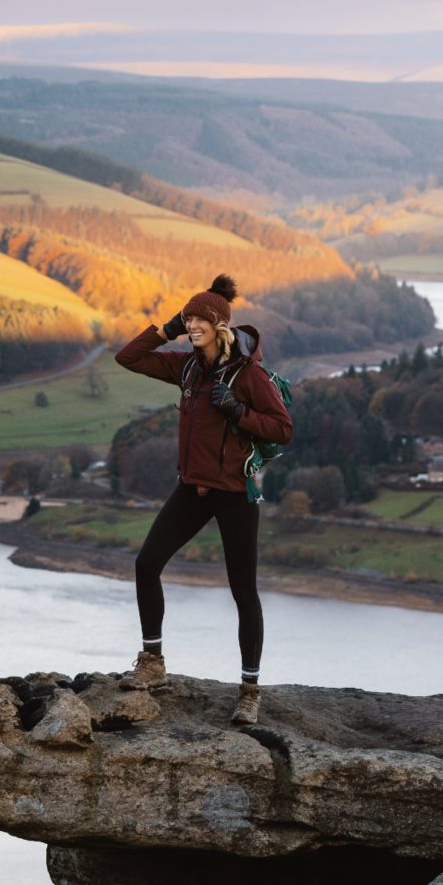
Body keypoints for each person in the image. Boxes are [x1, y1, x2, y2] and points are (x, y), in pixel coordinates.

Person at [114, 273, 292, 726]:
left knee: (243, 592)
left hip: (235, 494)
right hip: (192, 489)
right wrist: (166, 328)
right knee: (146, 564)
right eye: (188, 317)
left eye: (199, 320)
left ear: (221, 327)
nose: (193, 325)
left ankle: (249, 691)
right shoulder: (187, 367)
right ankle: (152, 664)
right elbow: (127, 357)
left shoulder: (248, 375)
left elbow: (283, 428)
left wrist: (238, 410)